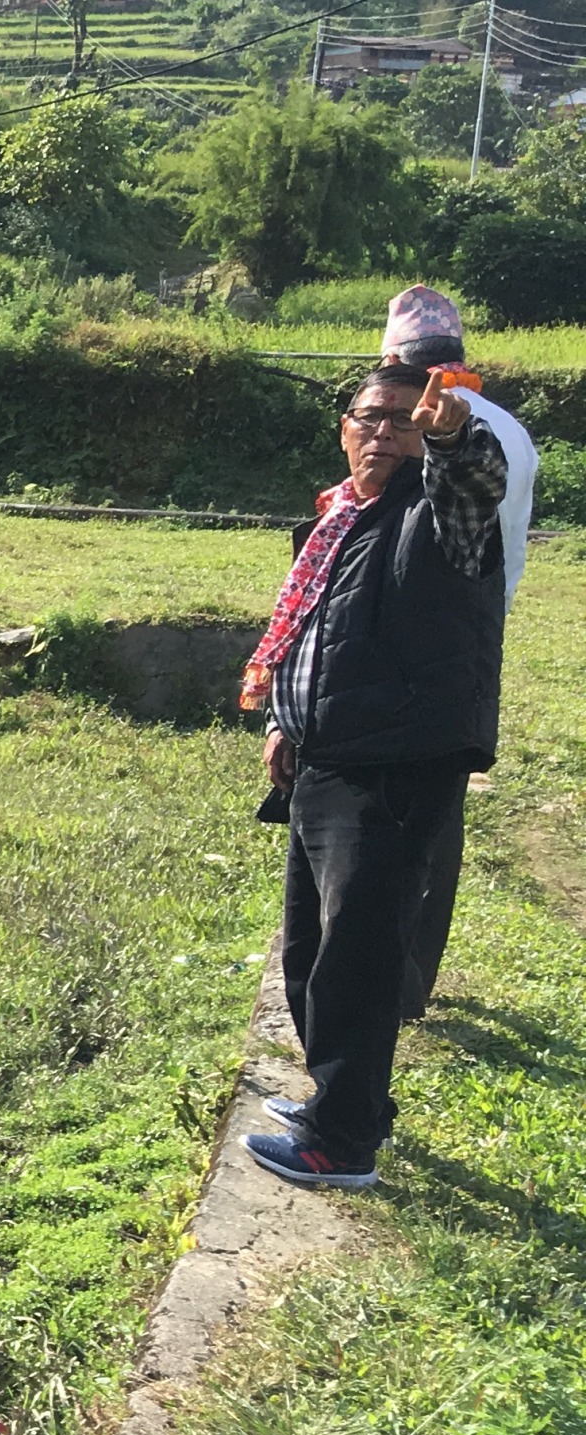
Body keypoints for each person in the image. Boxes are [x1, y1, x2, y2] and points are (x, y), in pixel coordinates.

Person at [241, 360, 511, 1190]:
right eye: (369, 418)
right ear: (344, 428)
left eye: (402, 420)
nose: (382, 432)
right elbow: (320, 634)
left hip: (393, 766)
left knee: (358, 959)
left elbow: (474, 476)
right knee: (312, 948)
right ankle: (337, 1098)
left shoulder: (440, 511)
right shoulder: (342, 516)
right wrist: (288, 720)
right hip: (326, 758)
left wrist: (451, 435)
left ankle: (342, 1145)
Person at [376, 285, 534, 1020]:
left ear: (393, 355)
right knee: (442, 802)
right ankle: (413, 980)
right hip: (479, 635)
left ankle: (381, 977)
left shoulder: (422, 422)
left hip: (410, 625)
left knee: (388, 807)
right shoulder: (516, 430)